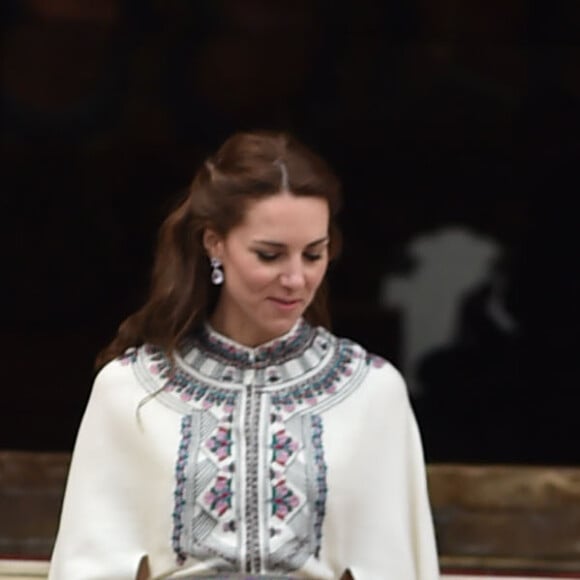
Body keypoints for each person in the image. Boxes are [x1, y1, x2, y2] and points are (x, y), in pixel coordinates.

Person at [48, 130, 440, 579]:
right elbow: (88, 565)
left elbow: (397, 566)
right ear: (215, 243)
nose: (295, 279)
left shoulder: (370, 390)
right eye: (270, 255)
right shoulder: (131, 387)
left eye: (313, 254)